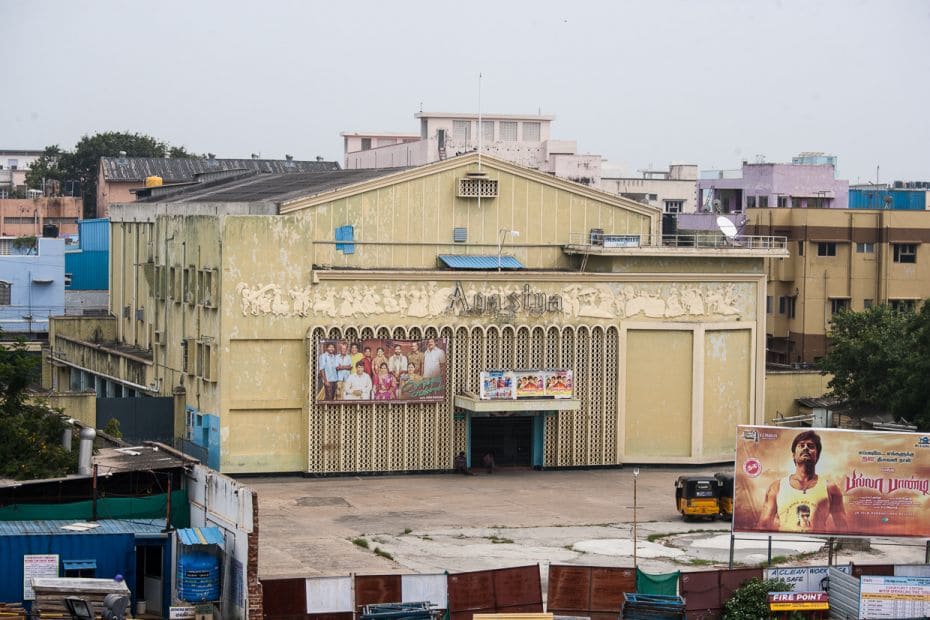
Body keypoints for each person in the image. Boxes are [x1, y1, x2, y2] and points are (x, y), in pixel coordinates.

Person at [756, 430, 848, 533]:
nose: (806, 448)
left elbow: (843, 528)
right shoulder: (777, 487)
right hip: (785, 545)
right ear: (793, 455)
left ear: (817, 455)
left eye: (811, 446)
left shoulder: (830, 488)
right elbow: (763, 526)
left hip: (816, 545)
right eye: (801, 445)